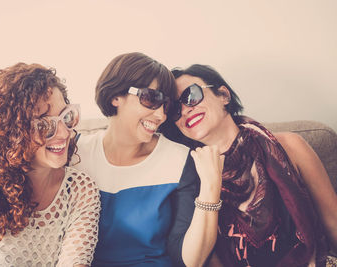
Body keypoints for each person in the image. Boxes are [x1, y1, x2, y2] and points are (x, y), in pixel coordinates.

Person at [160, 64, 337, 266]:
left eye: (191, 95)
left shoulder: (290, 146)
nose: (184, 110)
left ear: (223, 95)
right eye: (174, 109)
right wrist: (209, 185)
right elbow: (206, 259)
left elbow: (333, 223)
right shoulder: (190, 177)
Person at [0, 63, 101, 266]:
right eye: (43, 124)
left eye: (65, 117)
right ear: (10, 133)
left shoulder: (79, 190)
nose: (64, 133)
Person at [74, 52, 224, 267]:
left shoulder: (179, 159)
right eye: (151, 99)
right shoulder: (75, 154)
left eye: (167, 106)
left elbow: (190, 260)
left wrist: (210, 187)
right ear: (116, 96)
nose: (161, 115)